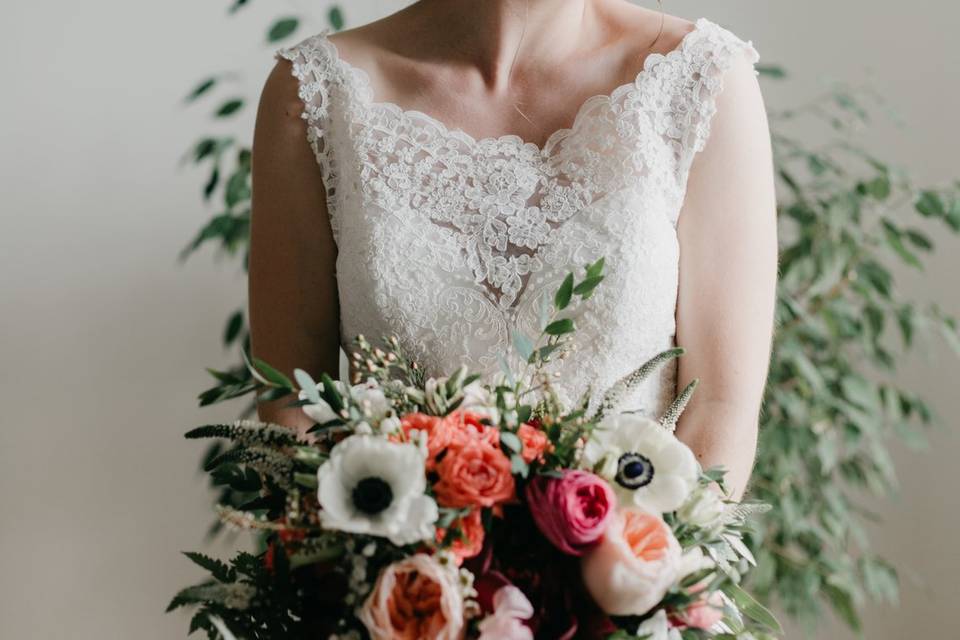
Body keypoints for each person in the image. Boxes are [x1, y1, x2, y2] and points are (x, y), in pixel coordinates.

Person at [248, 0, 777, 500]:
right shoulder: (315, 94)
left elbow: (719, 407)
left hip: (637, 577)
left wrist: (643, 576)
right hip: (393, 582)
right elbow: (292, 403)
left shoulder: (702, 80)